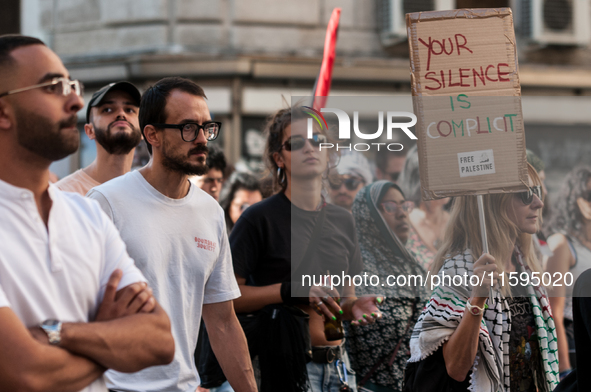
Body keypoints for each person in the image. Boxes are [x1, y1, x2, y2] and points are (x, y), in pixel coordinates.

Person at [0, 34, 174, 391]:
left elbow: (159, 341)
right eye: (52, 87)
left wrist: (57, 333)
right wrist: (110, 341)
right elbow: (25, 374)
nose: (75, 100)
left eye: (71, 86)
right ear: (3, 112)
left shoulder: (89, 214)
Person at [87, 77, 256, 392]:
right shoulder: (106, 202)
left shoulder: (210, 212)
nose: (202, 139)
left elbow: (222, 321)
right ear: (152, 135)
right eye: (188, 128)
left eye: (207, 127)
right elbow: (76, 308)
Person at [229, 107, 382, 392]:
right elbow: (228, 298)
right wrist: (291, 290)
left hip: (339, 367)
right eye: (296, 143)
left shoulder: (343, 219)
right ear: (279, 158)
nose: (309, 148)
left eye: (317, 140)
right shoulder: (257, 218)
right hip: (286, 368)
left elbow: (342, 301)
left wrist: (355, 307)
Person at [407, 163, 559, 392]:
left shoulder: (527, 269)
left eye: (538, 193)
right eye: (526, 195)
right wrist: (477, 300)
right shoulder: (458, 271)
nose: (539, 203)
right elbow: (456, 368)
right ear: (493, 202)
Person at [346, 181, 426, 392]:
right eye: (389, 207)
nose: (401, 214)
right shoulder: (354, 267)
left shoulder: (414, 265)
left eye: (404, 206)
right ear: (367, 216)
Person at [545, 165, 591, 379]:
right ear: (575, 198)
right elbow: (554, 311)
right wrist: (563, 370)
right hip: (574, 343)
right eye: (588, 195)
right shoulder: (561, 244)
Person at [56, 81, 141, 195]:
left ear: (143, 132)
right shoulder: (63, 194)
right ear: (90, 131)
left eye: (129, 110)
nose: (121, 114)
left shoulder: (150, 194)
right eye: (107, 109)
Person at [398, 145, 450, 271]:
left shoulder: (457, 222)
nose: (445, 182)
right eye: (436, 177)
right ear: (418, 181)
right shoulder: (403, 222)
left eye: (448, 174)